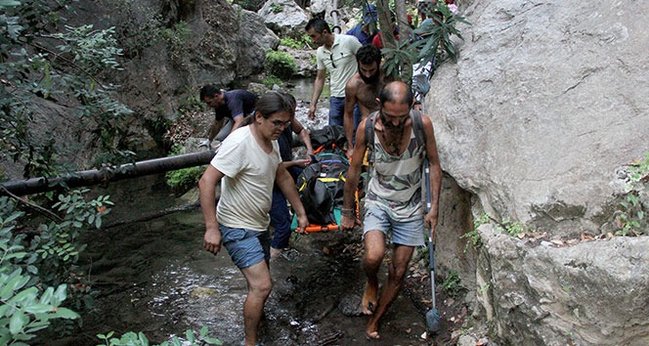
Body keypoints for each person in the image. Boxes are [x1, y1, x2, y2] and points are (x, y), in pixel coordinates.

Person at [199, 91, 309, 346]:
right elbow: (206, 181)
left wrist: (300, 212)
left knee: (261, 285)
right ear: (259, 117)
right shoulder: (239, 142)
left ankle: (258, 321)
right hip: (236, 226)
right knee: (262, 286)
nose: (283, 129)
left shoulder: (271, 142)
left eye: (286, 123)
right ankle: (250, 342)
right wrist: (211, 228)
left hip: (259, 224)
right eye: (277, 123)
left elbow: (280, 174)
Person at [341, 81, 442, 340]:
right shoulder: (367, 127)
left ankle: (375, 320)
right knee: (373, 256)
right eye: (390, 117)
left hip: (410, 206)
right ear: (379, 106)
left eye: (402, 117)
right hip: (378, 200)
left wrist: (434, 209)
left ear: (411, 108)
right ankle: (372, 281)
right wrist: (348, 210)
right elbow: (353, 169)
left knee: (398, 271)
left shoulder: (423, 124)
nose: (396, 123)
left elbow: (434, 164)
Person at [269, 93, 314, 257]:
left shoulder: (288, 120)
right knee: (283, 225)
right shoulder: (267, 133)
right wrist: (296, 162)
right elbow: (273, 167)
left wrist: (309, 151)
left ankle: (310, 214)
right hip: (270, 179)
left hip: (284, 170)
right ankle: (272, 261)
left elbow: (302, 130)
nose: (284, 126)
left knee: (311, 178)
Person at [305, 18, 362, 126]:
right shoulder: (320, 52)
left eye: (313, 36)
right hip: (335, 97)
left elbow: (366, 60)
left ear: (325, 32)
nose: (312, 40)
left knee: (354, 131)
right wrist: (313, 104)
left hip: (354, 96)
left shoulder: (349, 41)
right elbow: (320, 78)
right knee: (334, 134)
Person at [343, 44, 384, 158]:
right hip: (368, 129)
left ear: (379, 63)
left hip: (391, 126)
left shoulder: (388, 76)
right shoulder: (353, 85)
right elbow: (348, 114)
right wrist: (350, 146)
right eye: (363, 70)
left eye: (372, 70)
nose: (368, 74)